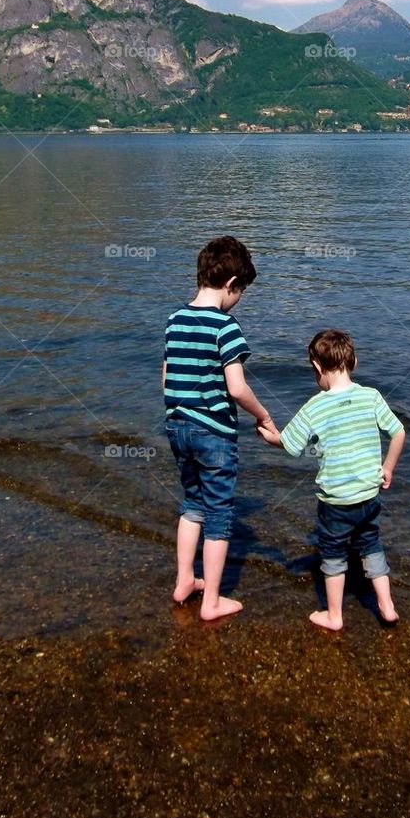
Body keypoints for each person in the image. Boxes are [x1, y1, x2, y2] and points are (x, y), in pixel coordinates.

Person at [258, 329, 406, 629]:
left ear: (316, 366)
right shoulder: (371, 396)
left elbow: (291, 445)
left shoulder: (315, 406)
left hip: (336, 500)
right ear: (355, 361)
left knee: (334, 553)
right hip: (369, 494)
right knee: (371, 543)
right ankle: (387, 606)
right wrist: (387, 467)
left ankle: (334, 615)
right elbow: (399, 432)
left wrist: (270, 436)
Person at [163, 235, 274, 620]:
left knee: (192, 502)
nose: (239, 299)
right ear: (231, 285)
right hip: (214, 433)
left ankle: (183, 581)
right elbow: (237, 388)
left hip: (177, 425)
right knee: (220, 512)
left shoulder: (175, 320)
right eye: (241, 291)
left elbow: (165, 379)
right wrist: (262, 416)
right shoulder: (226, 327)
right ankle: (211, 600)